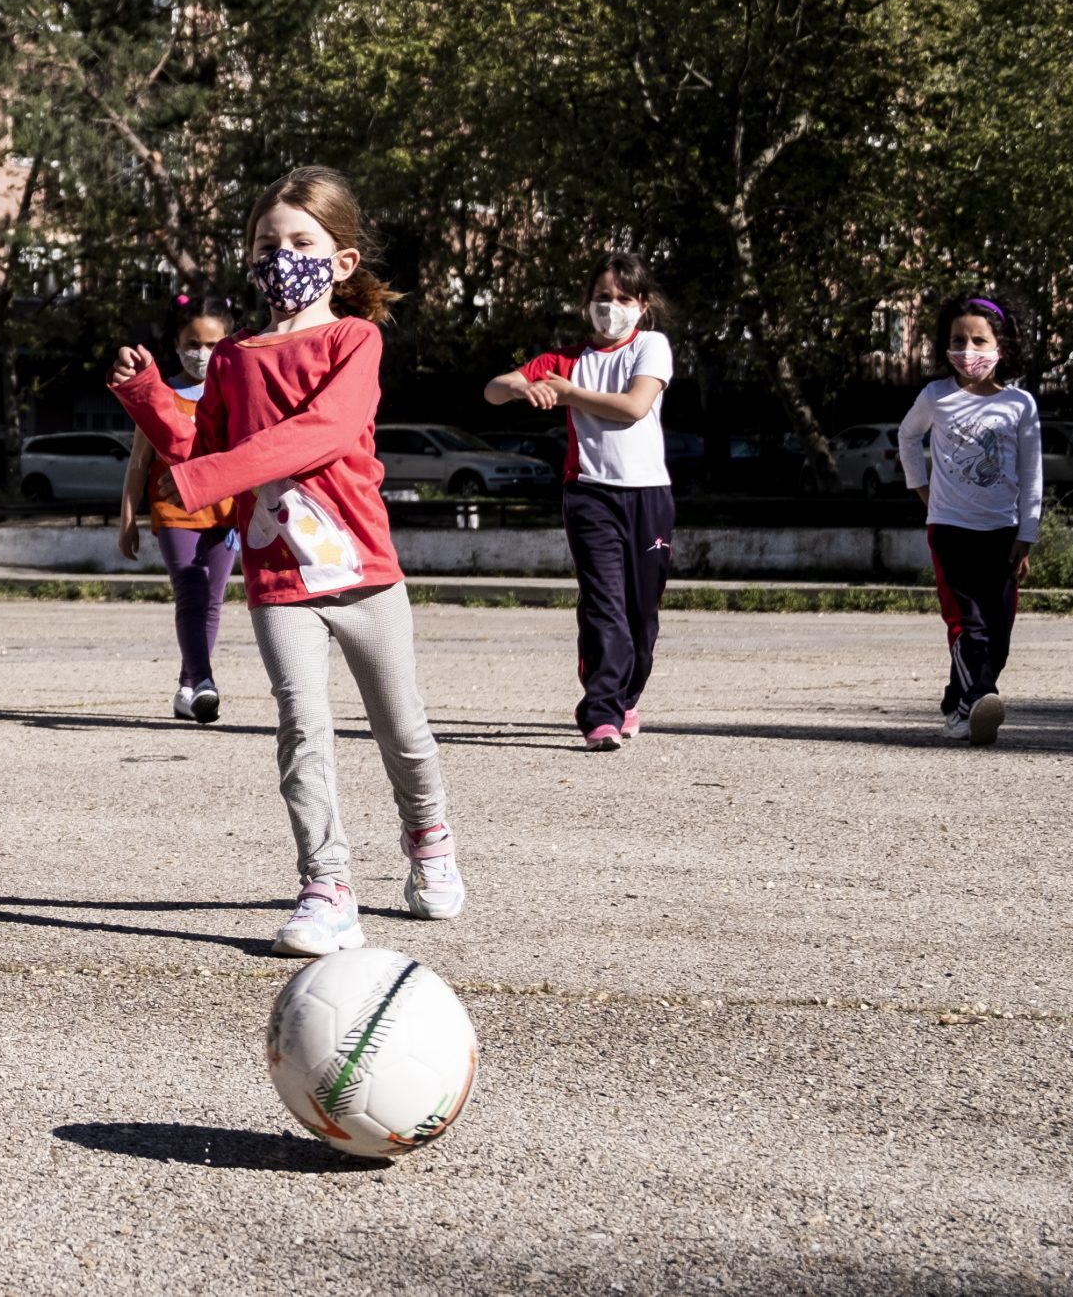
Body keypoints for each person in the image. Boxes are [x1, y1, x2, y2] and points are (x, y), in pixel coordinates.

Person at [109, 167, 463, 957]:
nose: (283, 255)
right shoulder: (232, 357)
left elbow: (322, 433)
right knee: (302, 730)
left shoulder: (354, 339)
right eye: (269, 243)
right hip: (278, 578)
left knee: (402, 728)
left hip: (364, 569)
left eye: (302, 242)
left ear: (341, 261)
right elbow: (201, 443)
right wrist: (149, 399)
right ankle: (327, 885)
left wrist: (204, 478)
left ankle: (428, 833)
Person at [483, 251, 675, 752]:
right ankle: (600, 713)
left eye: (622, 299)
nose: (611, 308)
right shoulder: (565, 360)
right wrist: (524, 388)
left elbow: (634, 407)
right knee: (604, 604)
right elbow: (493, 391)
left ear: (643, 305)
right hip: (589, 494)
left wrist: (566, 394)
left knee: (642, 613)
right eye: (601, 299)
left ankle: (627, 696)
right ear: (586, 304)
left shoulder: (651, 346)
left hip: (649, 496)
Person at [896, 292, 1042, 745]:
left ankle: (959, 705)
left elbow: (1031, 473)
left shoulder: (1020, 405)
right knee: (967, 624)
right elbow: (906, 436)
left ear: (1002, 345)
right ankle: (980, 695)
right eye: (958, 340)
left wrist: (1027, 534)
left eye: (979, 340)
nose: (968, 351)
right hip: (951, 529)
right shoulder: (936, 396)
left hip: (1002, 533)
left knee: (998, 633)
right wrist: (921, 489)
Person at [117, 298, 239, 723]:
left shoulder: (234, 394)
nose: (201, 353)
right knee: (191, 591)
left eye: (212, 344)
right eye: (192, 343)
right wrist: (128, 519)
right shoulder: (160, 394)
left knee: (213, 601)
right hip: (174, 513)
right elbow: (138, 462)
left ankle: (188, 687)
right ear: (176, 343)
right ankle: (203, 681)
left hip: (225, 515)